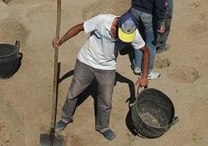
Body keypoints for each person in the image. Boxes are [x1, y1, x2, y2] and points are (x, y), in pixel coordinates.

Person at [52, 12, 150, 141]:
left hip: (107, 68)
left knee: (105, 100)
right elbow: (79, 28)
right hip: (86, 61)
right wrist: (61, 41)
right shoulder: (102, 20)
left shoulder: (133, 33)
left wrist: (144, 76)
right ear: (117, 24)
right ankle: (65, 118)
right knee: (73, 92)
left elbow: (145, 51)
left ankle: (103, 127)